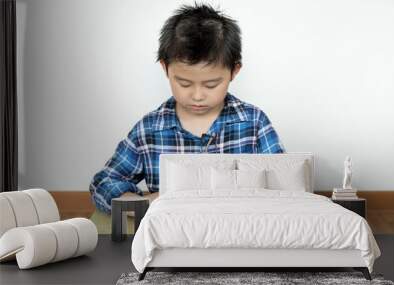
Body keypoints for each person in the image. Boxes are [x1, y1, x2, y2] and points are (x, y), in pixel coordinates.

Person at [89, 2, 285, 214]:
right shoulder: (150, 129)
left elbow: (285, 182)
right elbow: (103, 184)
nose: (197, 96)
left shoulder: (253, 123)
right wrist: (146, 204)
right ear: (165, 68)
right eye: (184, 83)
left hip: (239, 231)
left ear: (234, 71)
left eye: (211, 85)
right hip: (172, 237)